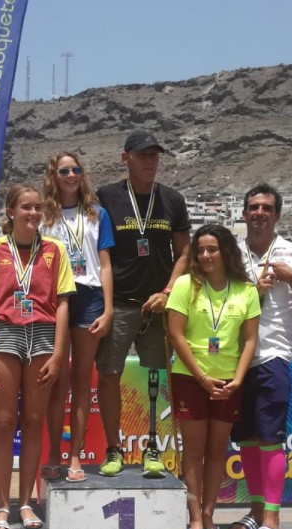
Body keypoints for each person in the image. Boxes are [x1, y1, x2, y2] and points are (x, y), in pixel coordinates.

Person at [228, 184, 292, 529]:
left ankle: (272, 518)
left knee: (270, 439)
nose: (259, 213)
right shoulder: (231, 254)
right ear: (244, 213)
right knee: (247, 441)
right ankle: (255, 511)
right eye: (253, 206)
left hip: (273, 356)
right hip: (235, 360)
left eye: (266, 208)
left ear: (277, 215)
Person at [0, 184, 75, 529]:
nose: (33, 213)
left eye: (37, 208)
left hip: (44, 335)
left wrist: (60, 351)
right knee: (4, 422)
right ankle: (2, 505)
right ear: (11, 213)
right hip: (5, 333)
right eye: (26, 208)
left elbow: (63, 302)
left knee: (34, 422)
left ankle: (26, 502)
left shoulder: (55, 249)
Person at [94, 129, 191, 477]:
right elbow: (97, 250)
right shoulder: (106, 196)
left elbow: (184, 254)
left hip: (157, 305)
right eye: (143, 155)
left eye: (155, 155)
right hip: (118, 302)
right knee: (109, 376)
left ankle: (153, 448)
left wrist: (167, 293)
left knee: (158, 376)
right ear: (126, 158)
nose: (150, 161)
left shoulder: (173, 200)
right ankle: (113, 448)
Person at [166, 225, 259, 529]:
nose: (206, 256)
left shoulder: (246, 289)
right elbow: (176, 335)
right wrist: (202, 378)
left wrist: (238, 378)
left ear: (226, 252)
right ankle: (193, 518)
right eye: (201, 250)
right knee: (193, 450)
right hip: (191, 378)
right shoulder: (184, 285)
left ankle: (209, 516)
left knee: (218, 450)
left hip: (228, 381)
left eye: (212, 249)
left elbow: (250, 339)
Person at [38, 151, 115, 483]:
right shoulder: (43, 216)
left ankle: (75, 457)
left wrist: (109, 309)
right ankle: (53, 453)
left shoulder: (98, 214)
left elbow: (106, 263)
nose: (71, 175)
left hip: (90, 297)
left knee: (83, 382)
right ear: (53, 176)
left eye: (76, 169)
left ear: (83, 174)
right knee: (57, 383)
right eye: (64, 170)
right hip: (53, 298)